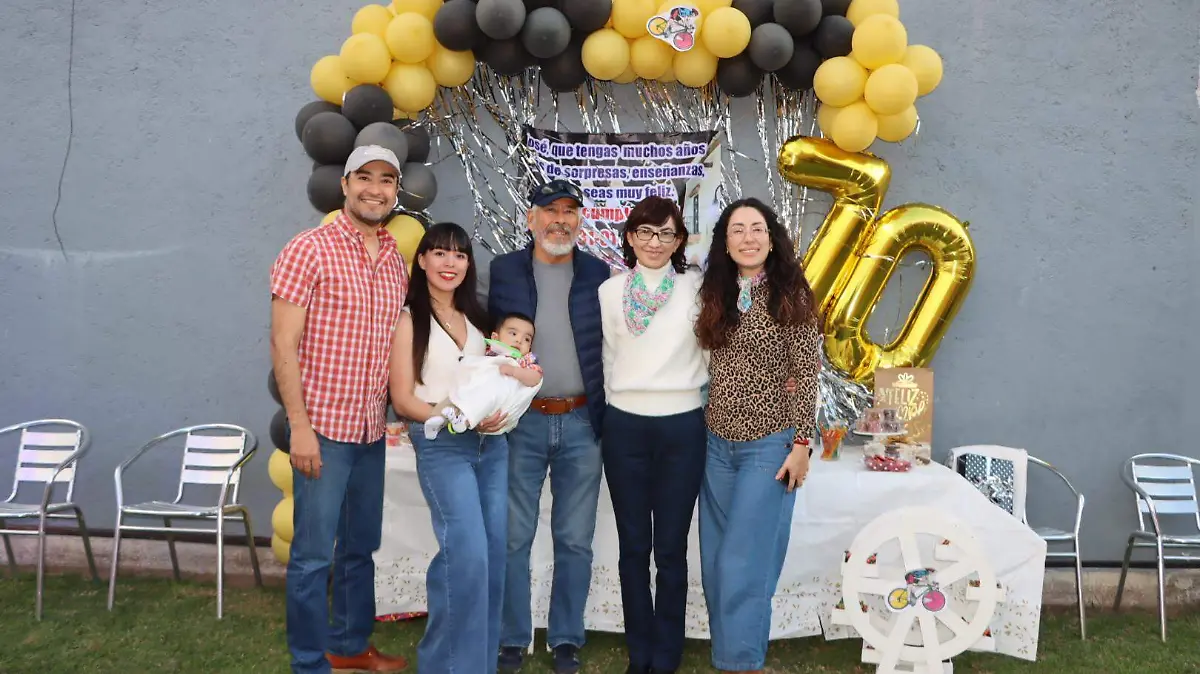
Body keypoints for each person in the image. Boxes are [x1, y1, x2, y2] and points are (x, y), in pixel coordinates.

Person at [270, 145, 410, 673]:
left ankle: (349, 648)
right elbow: (283, 345)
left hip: (370, 431)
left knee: (359, 549)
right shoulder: (309, 249)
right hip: (322, 430)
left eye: (387, 180)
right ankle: (309, 662)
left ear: (396, 190)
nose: (376, 189)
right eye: (366, 178)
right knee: (311, 557)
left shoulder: (395, 258)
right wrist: (299, 428)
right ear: (346, 184)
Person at [694, 197, 822, 674]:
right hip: (717, 445)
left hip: (769, 445)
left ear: (772, 239)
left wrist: (802, 444)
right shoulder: (716, 294)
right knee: (715, 565)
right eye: (737, 230)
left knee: (743, 564)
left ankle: (740, 662)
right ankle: (730, 656)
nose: (748, 238)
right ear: (724, 244)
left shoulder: (791, 293)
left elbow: (806, 372)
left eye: (757, 229)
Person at [489, 179, 609, 674]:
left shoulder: (599, 273)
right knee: (514, 535)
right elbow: (486, 338)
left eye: (569, 211)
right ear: (531, 219)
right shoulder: (503, 270)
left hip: (583, 421)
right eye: (549, 210)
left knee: (575, 538)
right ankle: (512, 638)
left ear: (579, 221)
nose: (560, 219)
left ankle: (565, 640)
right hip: (522, 422)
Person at [389, 222, 511, 673]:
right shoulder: (407, 319)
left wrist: (498, 410)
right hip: (442, 445)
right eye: (439, 253)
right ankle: (446, 664)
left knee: (492, 554)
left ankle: (479, 664)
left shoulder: (478, 320)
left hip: (491, 445)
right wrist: (448, 413)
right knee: (467, 554)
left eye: (459, 255)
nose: (449, 263)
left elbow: (492, 381)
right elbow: (402, 399)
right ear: (421, 261)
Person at [597, 196, 707, 674]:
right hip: (625, 425)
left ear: (680, 240)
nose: (655, 242)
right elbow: (606, 357)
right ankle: (638, 651)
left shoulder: (697, 290)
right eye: (645, 232)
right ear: (629, 237)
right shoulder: (609, 291)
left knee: (670, 549)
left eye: (665, 233)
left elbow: (709, 353)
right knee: (633, 546)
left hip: (682, 424)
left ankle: (666, 654)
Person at [422, 312, 544, 439]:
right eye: (513, 333)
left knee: (485, 398)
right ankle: (437, 420)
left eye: (527, 339)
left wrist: (515, 372)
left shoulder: (525, 361)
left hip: (493, 397)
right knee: (455, 394)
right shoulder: (488, 354)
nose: (519, 340)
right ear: (495, 338)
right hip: (473, 389)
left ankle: (464, 421)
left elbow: (536, 377)